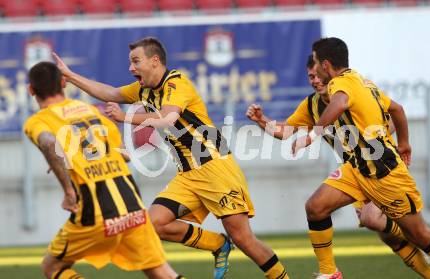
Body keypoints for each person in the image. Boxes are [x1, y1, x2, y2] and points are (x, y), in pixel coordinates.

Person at [53, 37, 289, 279]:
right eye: (130, 62)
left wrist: (124, 118)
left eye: (136, 61)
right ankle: (217, 244)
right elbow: (111, 93)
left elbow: (167, 119)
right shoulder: (144, 90)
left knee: (244, 238)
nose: (131, 68)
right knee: (152, 225)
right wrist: (70, 76)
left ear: (155, 61)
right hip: (187, 175)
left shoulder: (177, 84)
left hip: (216, 169)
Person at [246, 55, 430, 278]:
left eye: (318, 75)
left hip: (382, 169)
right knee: (318, 207)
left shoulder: (353, 89)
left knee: (379, 222)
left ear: (327, 71)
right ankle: (329, 273)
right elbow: (285, 130)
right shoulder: (312, 105)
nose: (315, 80)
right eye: (311, 76)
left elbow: (395, 112)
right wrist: (262, 120)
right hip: (354, 171)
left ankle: (415, 239)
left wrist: (393, 141)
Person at [24, 61, 184, 279]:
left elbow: (49, 143)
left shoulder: (38, 121)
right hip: (133, 207)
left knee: (52, 266)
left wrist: (69, 192)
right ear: (63, 83)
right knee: (161, 272)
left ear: (31, 90)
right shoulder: (91, 111)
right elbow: (122, 155)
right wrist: (70, 158)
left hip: (95, 212)